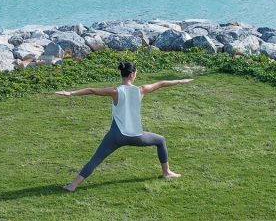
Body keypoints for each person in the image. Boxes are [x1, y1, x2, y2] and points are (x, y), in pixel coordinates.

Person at [55, 60, 193, 192]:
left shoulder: (115, 92)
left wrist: (70, 93)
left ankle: (73, 185)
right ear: (132, 74)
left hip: (116, 136)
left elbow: (91, 90)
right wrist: (181, 81)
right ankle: (166, 172)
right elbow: (161, 83)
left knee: (96, 159)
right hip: (137, 136)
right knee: (160, 140)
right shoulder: (141, 90)